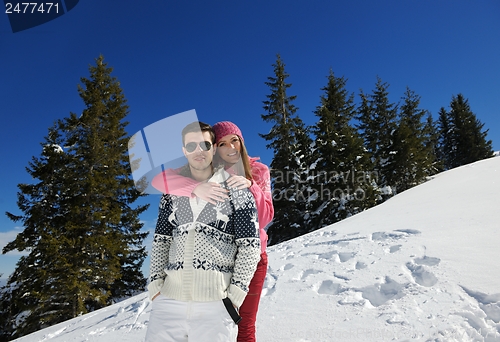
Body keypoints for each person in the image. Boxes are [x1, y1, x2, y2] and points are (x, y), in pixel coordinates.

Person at [152, 121, 274, 342]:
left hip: (253, 257)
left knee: (244, 324)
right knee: (223, 322)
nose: (230, 148)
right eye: (222, 143)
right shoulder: (213, 173)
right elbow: (161, 180)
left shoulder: (258, 171)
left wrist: (250, 186)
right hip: (218, 264)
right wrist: (195, 188)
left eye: (234, 141)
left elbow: (265, 217)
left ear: (242, 143)